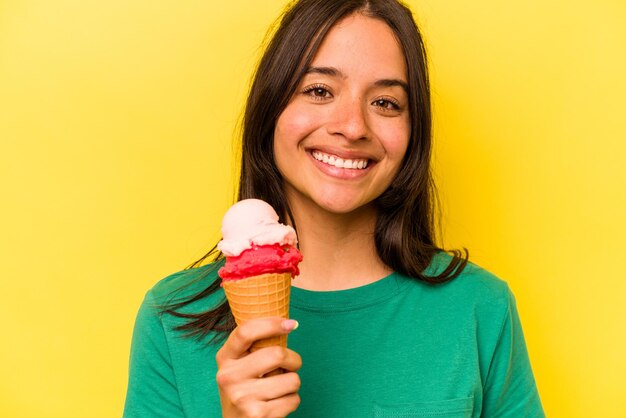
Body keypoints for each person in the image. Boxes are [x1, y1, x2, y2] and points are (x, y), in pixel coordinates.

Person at [123, 0, 545, 417]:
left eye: (385, 103)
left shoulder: (478, 307)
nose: (353, 126)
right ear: (271, 109)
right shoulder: (172, 319)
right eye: (319, 91)